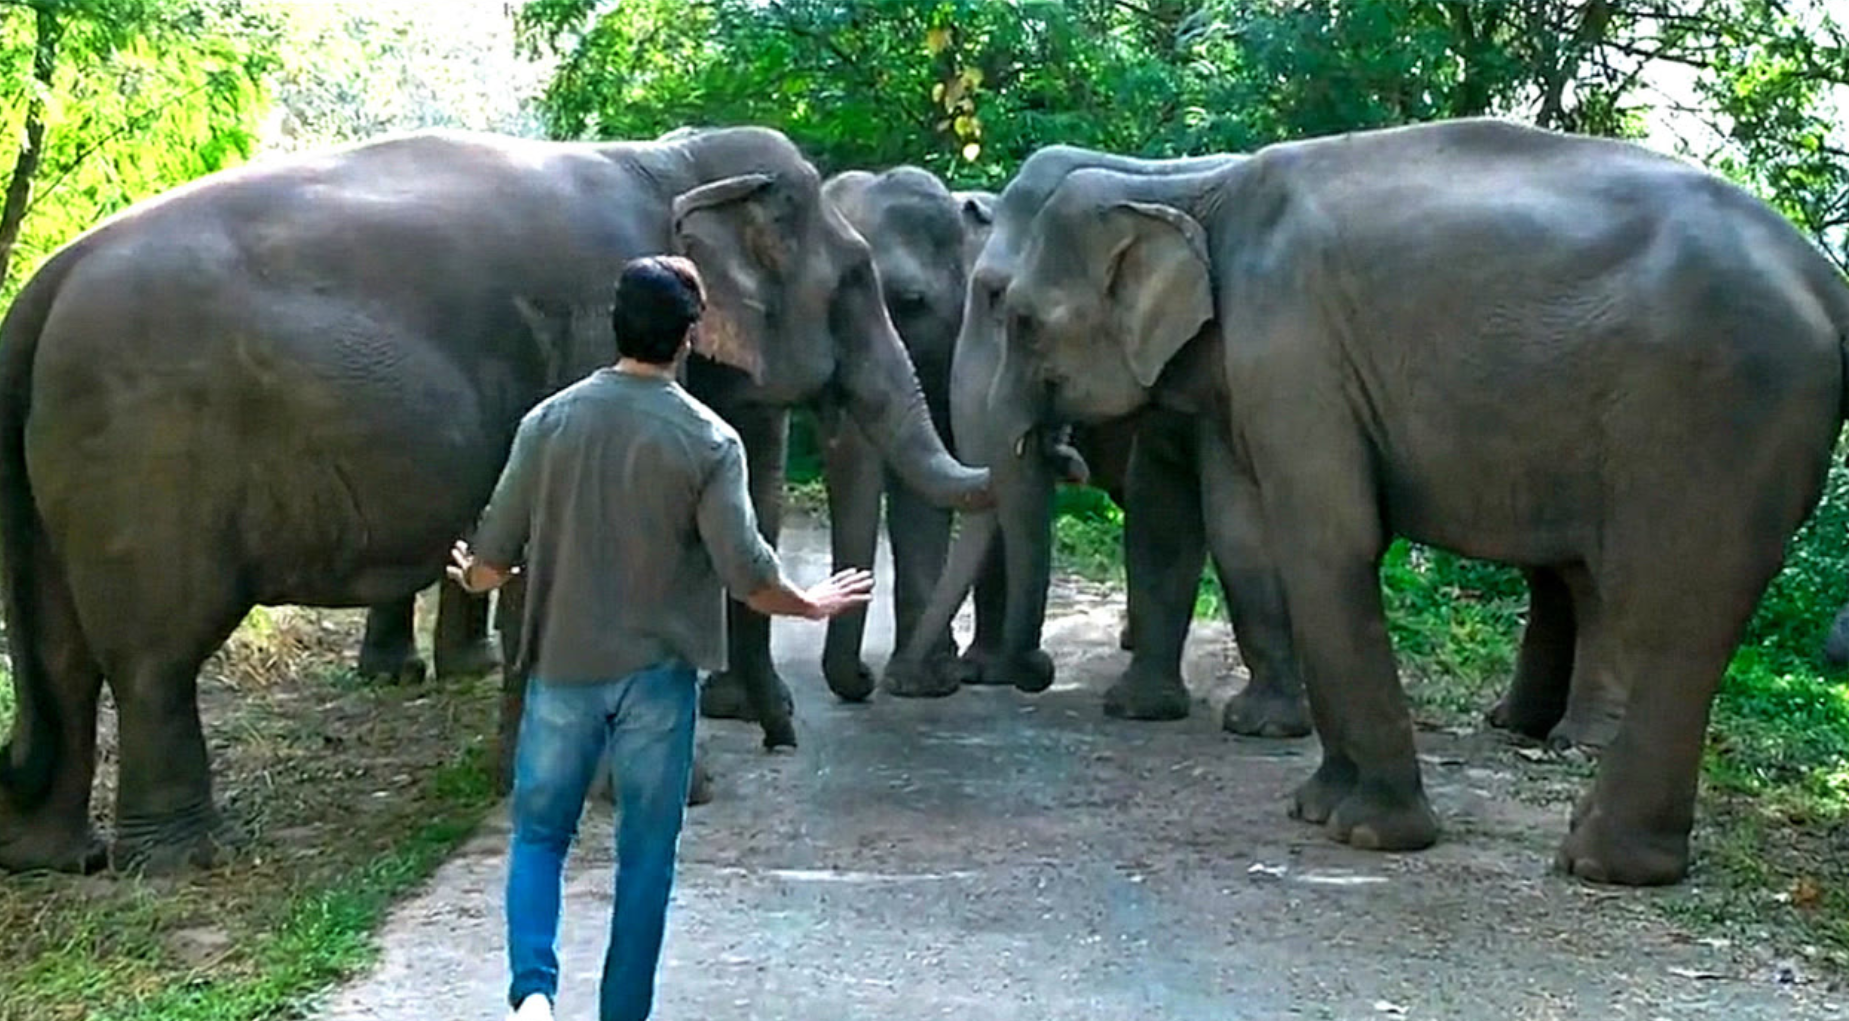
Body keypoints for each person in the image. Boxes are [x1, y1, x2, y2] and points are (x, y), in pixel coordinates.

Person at [446, 255, 878, 1021]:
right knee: (645, 857)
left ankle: (533, 993)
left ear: (616, 324)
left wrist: (474, 578)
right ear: (690, 337)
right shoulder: (709, 440)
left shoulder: (548, 423)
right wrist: (809, 604)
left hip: (562, 665)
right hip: (657, 677)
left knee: (541, 835)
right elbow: (747, 575)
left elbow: (491, 559)